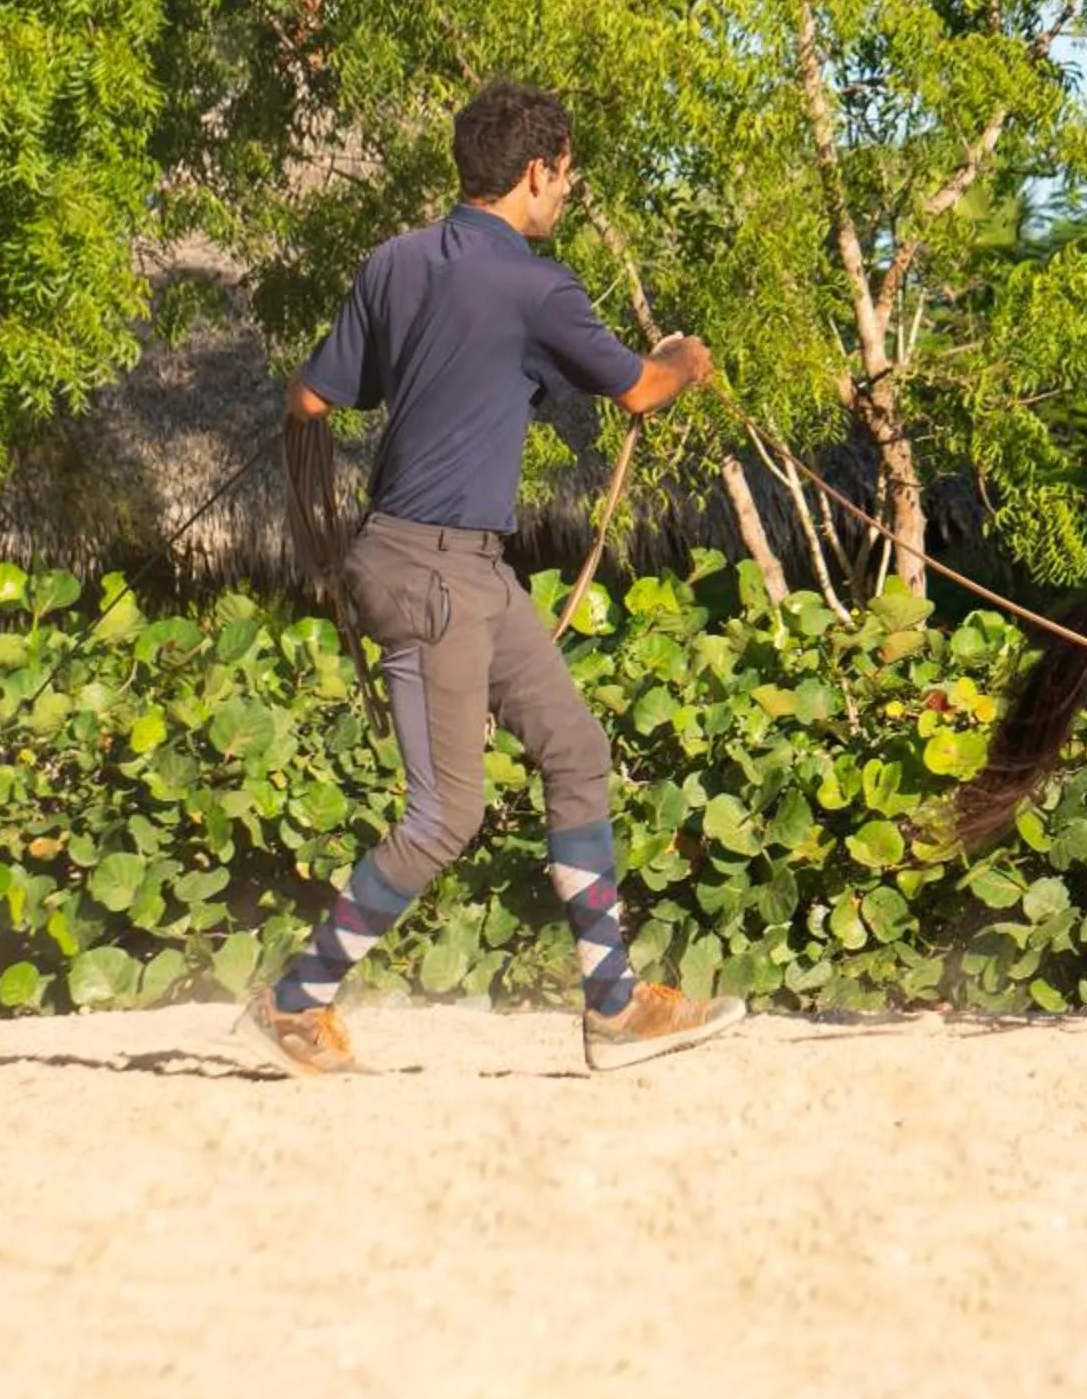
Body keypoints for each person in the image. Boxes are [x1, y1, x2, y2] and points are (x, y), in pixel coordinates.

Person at [240, 78, 744, 1075]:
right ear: (533, 172)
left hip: (463, 567)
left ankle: (613, 1005)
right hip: (434, 573)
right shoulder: (536, 282)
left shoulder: (392, 263)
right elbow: (639, 386)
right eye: (565, 180)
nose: (565, 197)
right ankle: (297, 1001)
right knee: (445, 815)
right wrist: (686, 358)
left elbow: (309, 396)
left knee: (573, 744)